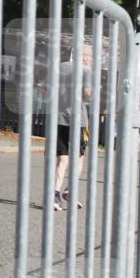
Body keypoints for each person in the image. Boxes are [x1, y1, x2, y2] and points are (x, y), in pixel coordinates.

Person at [54, 45, 94, 211]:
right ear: (85, 57)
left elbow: (43, 89)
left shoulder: (60, 67)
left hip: (58, 116)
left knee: (62, 158)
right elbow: (87, 94)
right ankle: (70, 190)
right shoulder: (86, 70)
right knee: (78, 156)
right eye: (91, 57)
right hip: (78, 119)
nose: (92, 60)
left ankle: (54, 195)